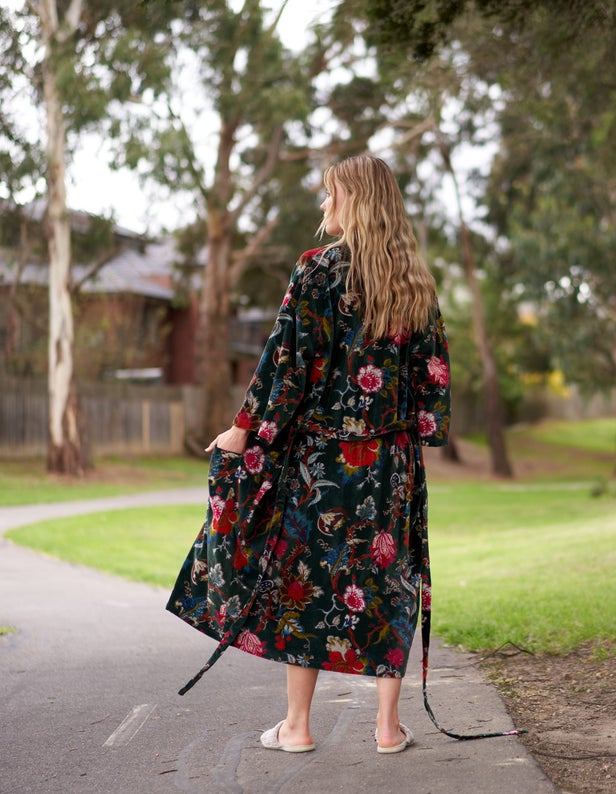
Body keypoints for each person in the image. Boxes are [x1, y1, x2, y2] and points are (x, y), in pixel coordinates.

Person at [166, 154, 451, 755]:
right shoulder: (415, 284)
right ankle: (388, 728)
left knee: (306, 584)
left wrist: (246, 430)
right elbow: (432, 384)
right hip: (390, 464)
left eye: (331, 195)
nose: (324, 206)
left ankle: (296, 727)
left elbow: (284, 365)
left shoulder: (317, 271)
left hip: (320, 462)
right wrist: (408, 431)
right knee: (388, 579)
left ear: (356, 202)